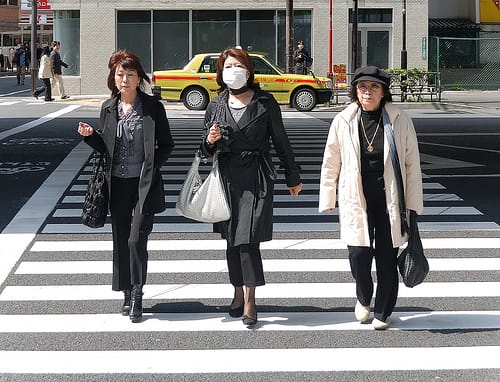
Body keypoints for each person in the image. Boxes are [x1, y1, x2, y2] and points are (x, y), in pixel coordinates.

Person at [201, 47, 302, 327]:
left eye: (239, 65)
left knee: (248, 240)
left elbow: (281, 141)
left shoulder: (265, 103)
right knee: (232, 239)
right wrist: (210, 140)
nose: (234, 70)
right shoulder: (216, 105)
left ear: (248, 70)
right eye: (228, 65)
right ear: (221, 72)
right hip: (227, 179)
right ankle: (236, 290)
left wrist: (292, 175)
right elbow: (205, 152)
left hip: (257, 177)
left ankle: (250, 298)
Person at [319, 66, 423, 330]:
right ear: (355, 91)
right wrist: (328, 196)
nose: (368, 92)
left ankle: (384, 311)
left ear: (383, 92)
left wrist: (412, 205)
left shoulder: (400, 119)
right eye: (362, 87)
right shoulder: (343, 120)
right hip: (356, 197)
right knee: (358, 254)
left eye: (374, 87)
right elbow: (331, 161)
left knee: (387, 258)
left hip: (390, 200)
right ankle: (364, 296)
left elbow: (412, 164)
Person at [77, 50, 175, 323]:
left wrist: (153, 166)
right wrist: (90, 137)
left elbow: (167, 145)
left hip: (144, 184)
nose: (124, 79)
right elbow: (105, 149)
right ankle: (127, 293)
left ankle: (139, 292)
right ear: (114, 78)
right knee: (121, 240)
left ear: (138, 77)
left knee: (136, 239)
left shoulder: (153, 107)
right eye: (120, 74)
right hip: (117, 183)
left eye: (130, 74)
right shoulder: (109, 108)